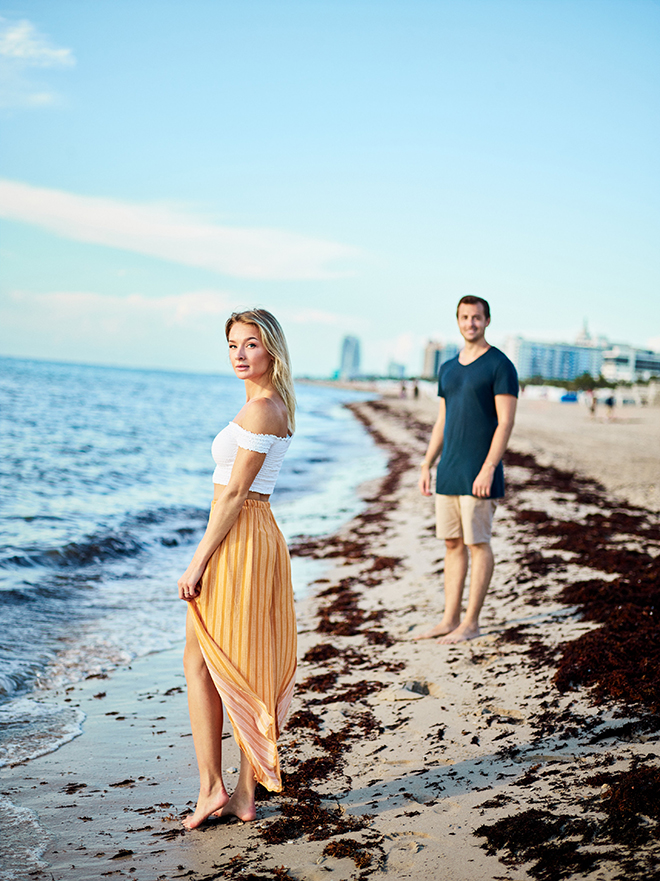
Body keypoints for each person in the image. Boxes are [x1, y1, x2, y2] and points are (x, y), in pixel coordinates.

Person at [177, 309, 296, 829]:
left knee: (211, 659)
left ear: (272, 349)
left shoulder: (264, 409)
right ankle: (233, 791)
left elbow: (232, 496)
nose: (240, 354)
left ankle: (220, 790)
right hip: (249, 535)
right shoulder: (262, 406)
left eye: (250, 344)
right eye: (232, 345)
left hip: (240, 539)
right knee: (220, 659)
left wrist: (197, 560)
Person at [415, 296, 518, 644]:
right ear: (457, 320)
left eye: (476, 317)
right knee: (452, 544)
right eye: (464, 317)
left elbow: (505, 423)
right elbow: (443, 419)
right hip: (450, 469)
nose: (470, 323)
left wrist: (490, 467)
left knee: (478, 543)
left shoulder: (500, 366)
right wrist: (428, 463)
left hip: (480, 470)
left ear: (487, 320)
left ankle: (471, 623)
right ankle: (449, 619)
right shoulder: (447, 368)